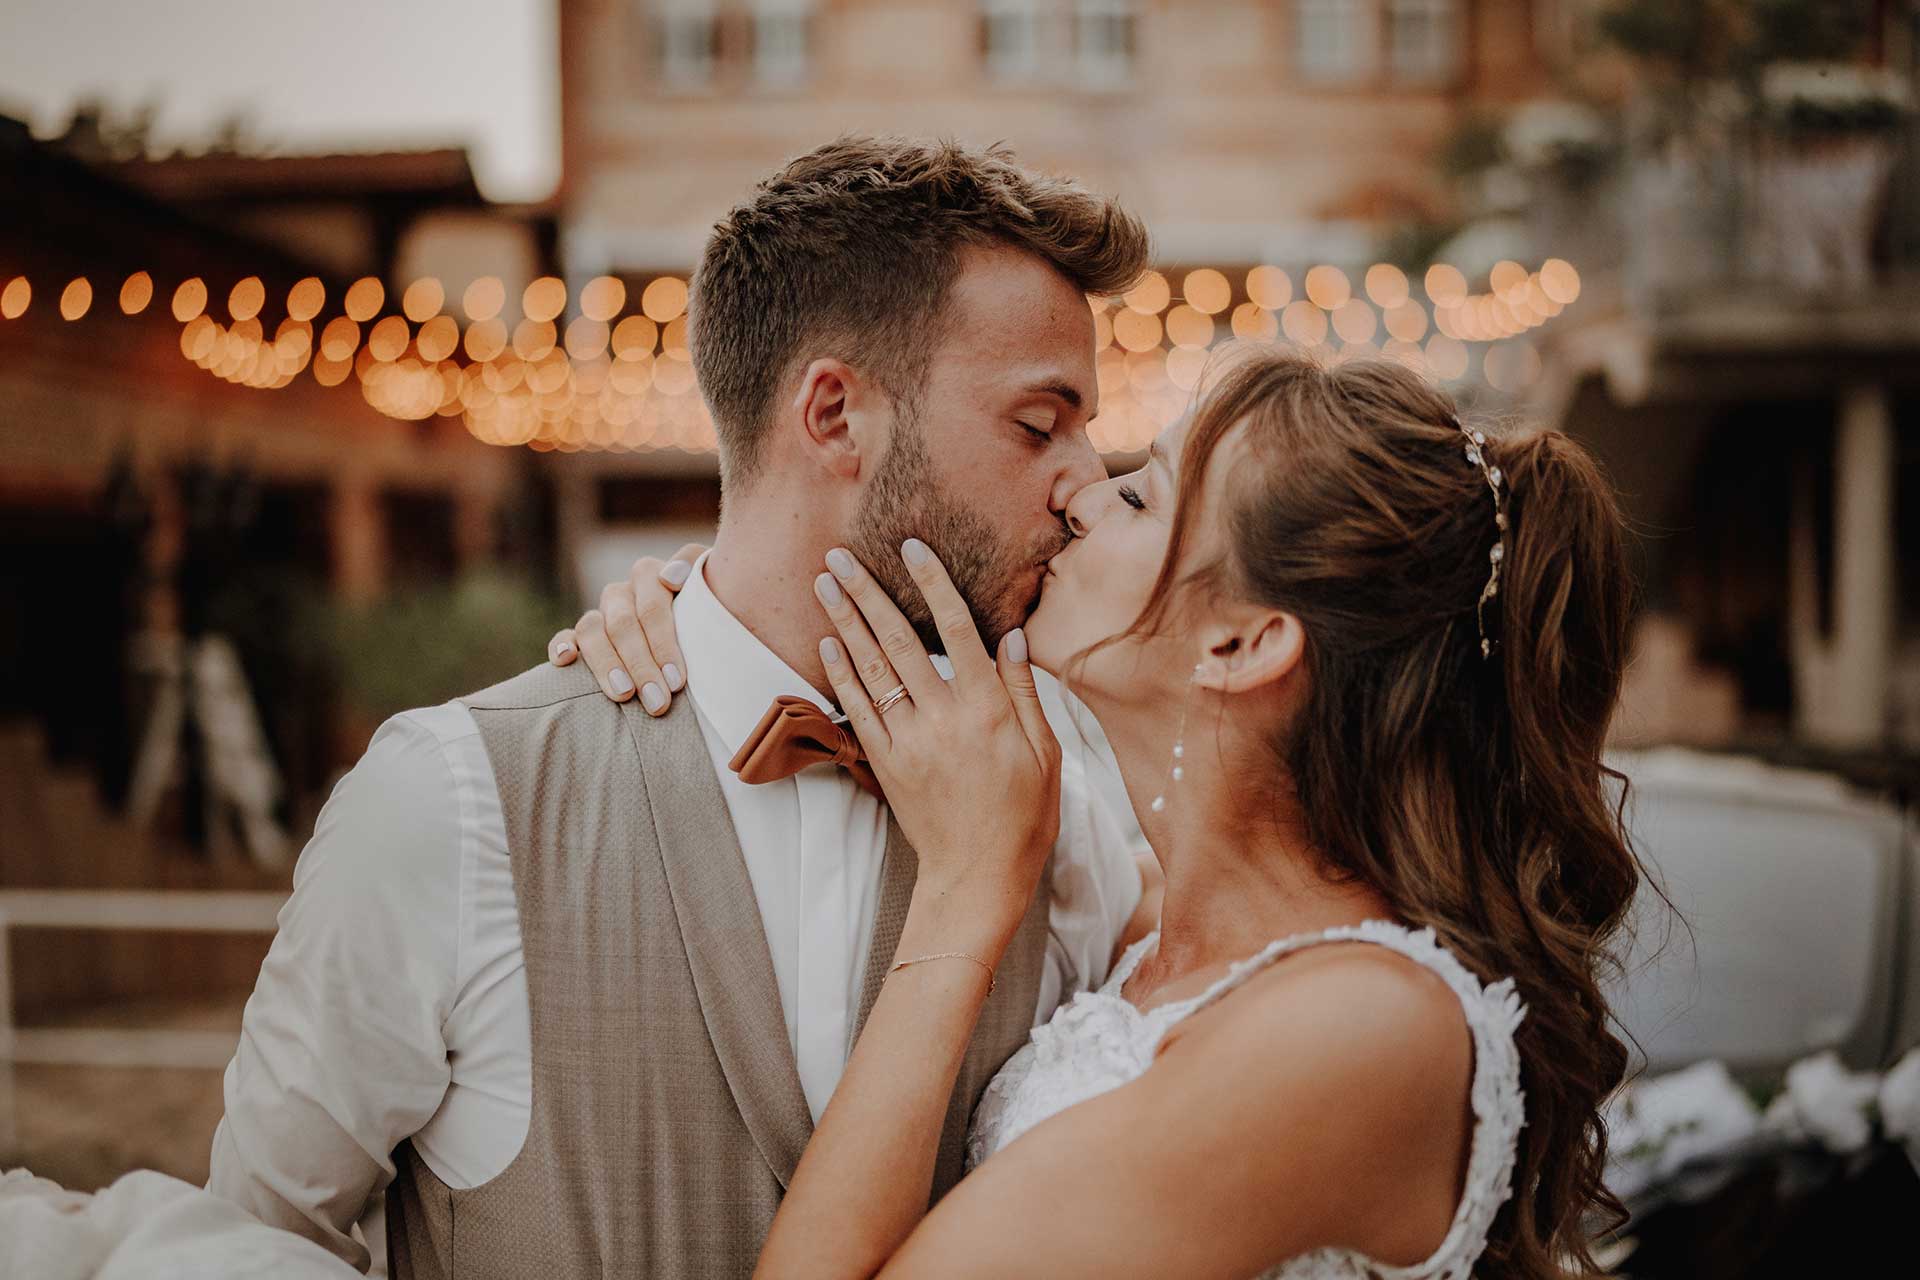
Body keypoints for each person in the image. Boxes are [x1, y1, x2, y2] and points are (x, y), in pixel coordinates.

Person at [204, 135, 1154, 1278]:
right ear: (834, 414)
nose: (1086, 480)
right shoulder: (448, 800)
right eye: (1038, 424)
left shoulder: (1069, 809)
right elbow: (245, 1245)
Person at [562, 348, 1643, 1278]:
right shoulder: (1145, 930)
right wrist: (711, 620)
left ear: (1243, 643)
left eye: (1140, 497)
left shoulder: (1364, 1027)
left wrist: (965, 889)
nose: (1082, 492)